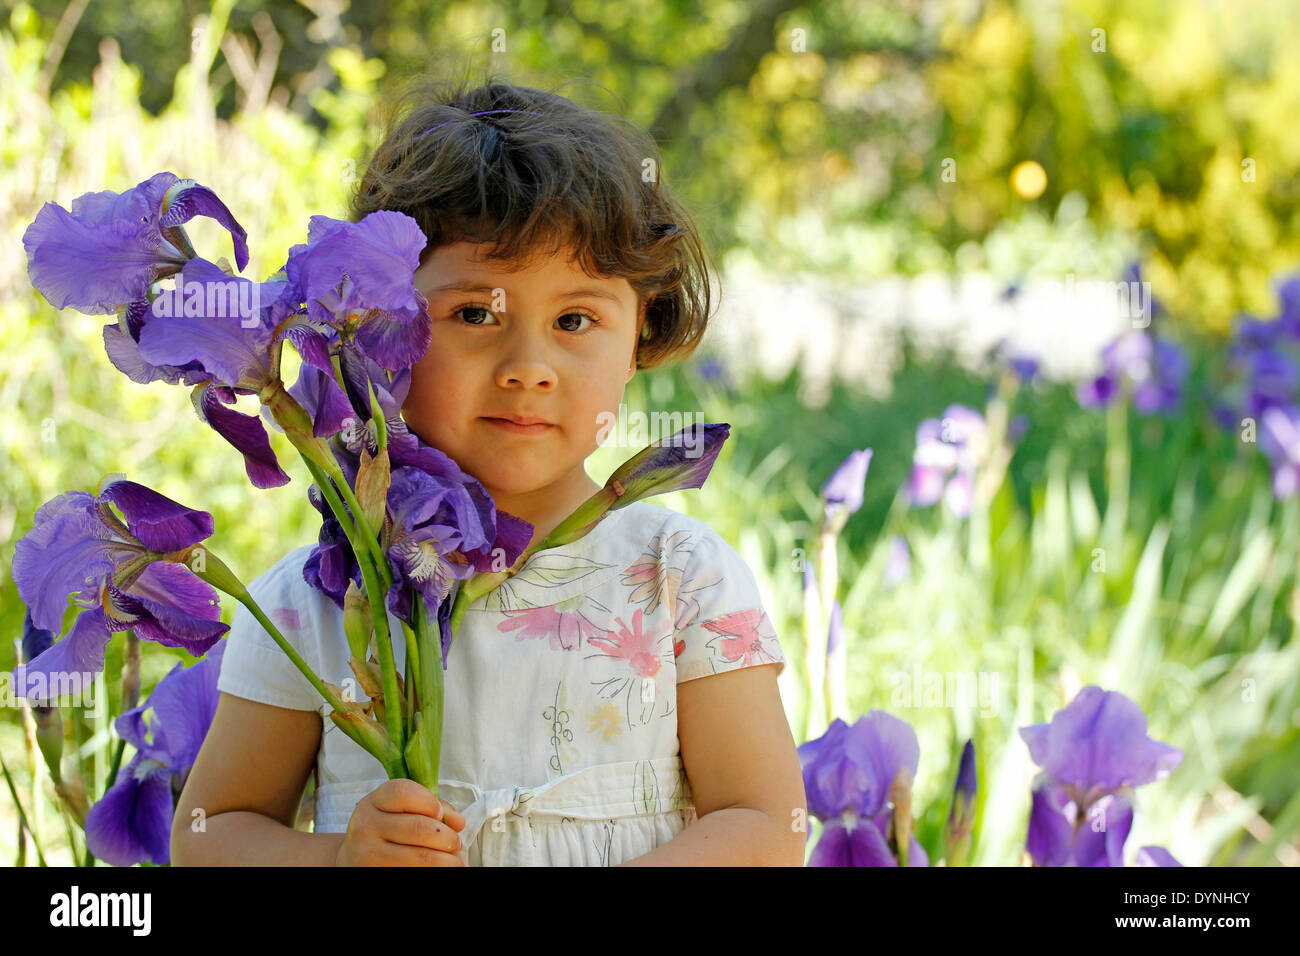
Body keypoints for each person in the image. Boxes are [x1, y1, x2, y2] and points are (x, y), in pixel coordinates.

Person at [171, 72, 806, 867]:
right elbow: (209, 836)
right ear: (375, 329)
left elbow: (764, 822)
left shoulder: (679, 580)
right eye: (474, 314)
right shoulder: (319, 603)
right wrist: (338, 859)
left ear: (640, 337)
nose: (528, 367)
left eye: (576, 319)